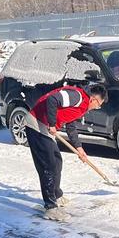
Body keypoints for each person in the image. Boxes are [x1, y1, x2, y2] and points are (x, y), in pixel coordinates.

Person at [25, 84, 108, 221]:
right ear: (94, 99)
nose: (97, 108)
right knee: (49, 166)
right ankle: (51, 207)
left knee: (57, 161)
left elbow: (71, 126)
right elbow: (52, 99)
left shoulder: (82, 106)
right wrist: (52, 123)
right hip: (36, 125)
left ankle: (56, 195)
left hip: (46, 128)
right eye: (99, 105)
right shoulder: (77, 96)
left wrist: (79, 148)